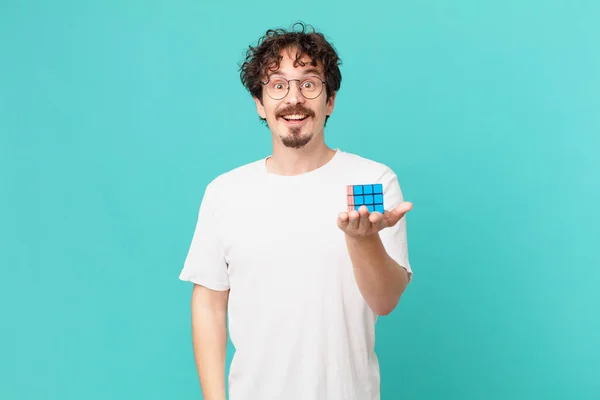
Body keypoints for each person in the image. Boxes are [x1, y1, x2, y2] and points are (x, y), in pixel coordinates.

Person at [179, 22, 413, 400]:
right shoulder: (226, 192)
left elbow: (385, 302)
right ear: (260, 102)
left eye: (309, 83)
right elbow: (208, 303)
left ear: (330, 100)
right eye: (277, 84)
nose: (294, 98)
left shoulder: (371, 181)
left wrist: (364, 241)